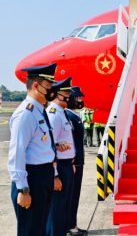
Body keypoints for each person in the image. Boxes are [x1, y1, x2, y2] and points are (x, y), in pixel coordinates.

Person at [7, 63, 58, 236]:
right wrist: (23, 189)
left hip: (43, 175)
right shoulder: (26, 114)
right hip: (32, 179)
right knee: (31, 231)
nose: (52, 90)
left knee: (40, 228)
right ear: (36, 86)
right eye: (49, 86)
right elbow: (17, 153)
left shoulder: (39, 111)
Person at [46, 77, 76, 236]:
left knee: (64, 207)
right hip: (58, 167)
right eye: (66, 93)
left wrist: (70, 162)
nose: (69, 96)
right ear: (57, 94)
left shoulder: (61, 113)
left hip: (66, 165)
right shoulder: (53, 114)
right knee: (56, 209)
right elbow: (50, 147)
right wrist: (55, 174)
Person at [66, 87, 87, 236]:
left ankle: (72, 223)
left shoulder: (74, 115)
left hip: (78, 161)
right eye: (77, 98)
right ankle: (70, 226)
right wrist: (73, 162)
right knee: (71, 196)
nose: (80, 101)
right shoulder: (68, 116)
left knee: (74, 195)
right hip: (74, 162)